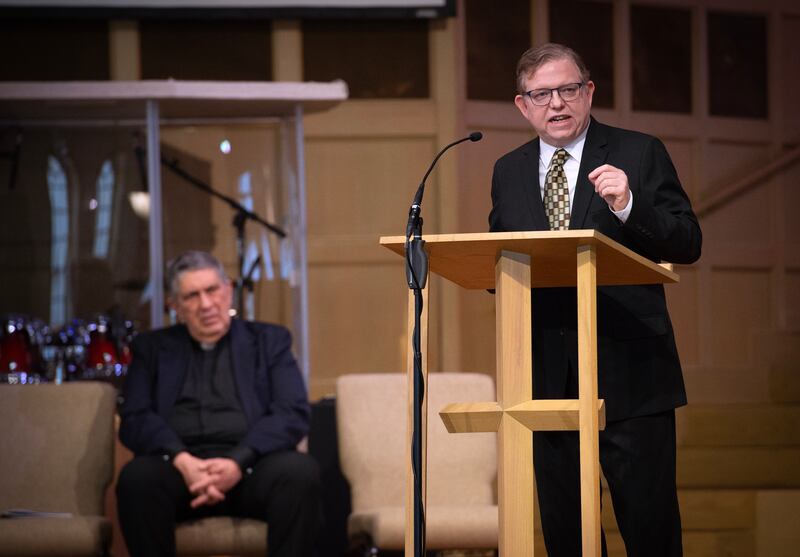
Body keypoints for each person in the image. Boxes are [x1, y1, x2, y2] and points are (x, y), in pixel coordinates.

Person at [489, 43, 702, 556]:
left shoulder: (638, 151)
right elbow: (502, 263)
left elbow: (687, 242)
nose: (556, 104)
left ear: (589, 92)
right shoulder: (508, 169)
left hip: (631, 372)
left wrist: (629, 205)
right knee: (568, 536)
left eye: (566, 90)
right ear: (523, 106)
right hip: (546, 381)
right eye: (541, 94)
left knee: (649, 528)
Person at [116, 250, 320, 557]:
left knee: (299, 473)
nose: (207, 305)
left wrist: (238, 462)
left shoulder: (269, 341)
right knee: (136, 480)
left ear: (229, 289)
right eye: (192, 296)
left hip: (252, 470)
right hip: (179, 473)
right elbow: (134, 417)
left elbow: (291, 412)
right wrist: (183, 461)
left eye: (212, 290)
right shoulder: (152, 348)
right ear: (175, 306)